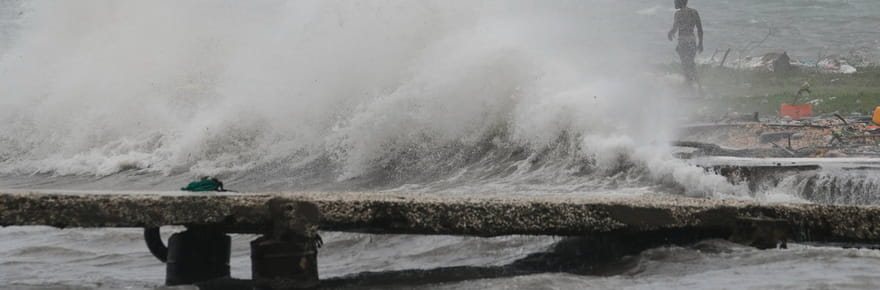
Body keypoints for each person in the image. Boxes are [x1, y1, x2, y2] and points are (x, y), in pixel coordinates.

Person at [668, 0, 703, 87]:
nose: (674, 3)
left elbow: (675, 29)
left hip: (683, 41)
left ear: (680, 2)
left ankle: (690, 89)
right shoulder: (694, 12)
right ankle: (699, 87)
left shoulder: (678, 14)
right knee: (691, 64)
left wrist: (670, 33)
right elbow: (700, 29)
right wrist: (701, 43)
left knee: (685, 67)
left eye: (675, 1)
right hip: (692, 40)